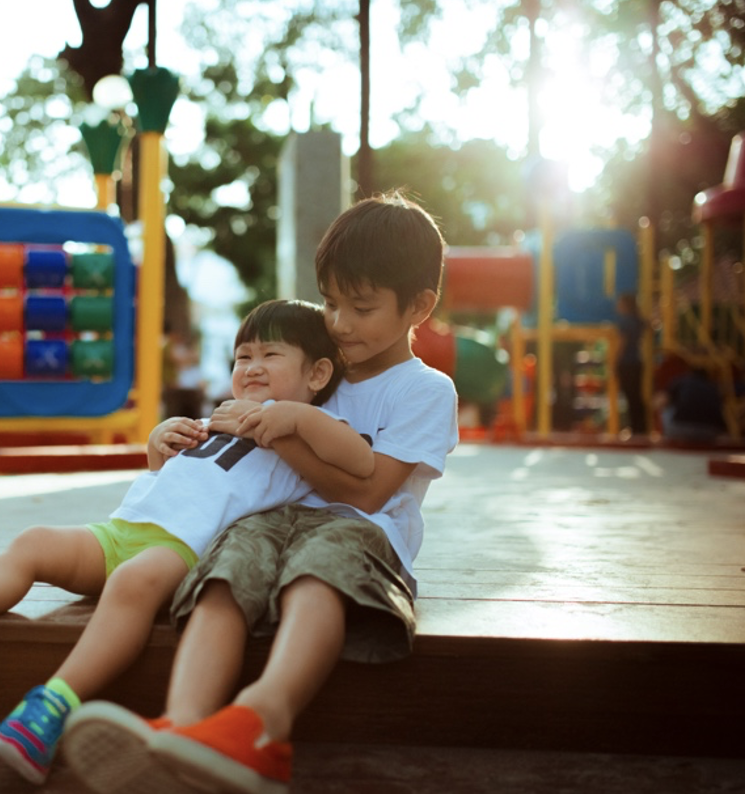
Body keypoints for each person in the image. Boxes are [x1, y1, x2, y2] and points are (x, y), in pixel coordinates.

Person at [0, 299, 374, 786]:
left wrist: (290, 415)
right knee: (36, 541)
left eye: (270, 356)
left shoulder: (307, 432)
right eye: (242, 357)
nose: (251, 367)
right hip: (122, 531)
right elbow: (183, 476)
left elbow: (359, 459)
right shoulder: (222, 417)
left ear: (318, 373)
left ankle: (52, 706)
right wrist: (160, 445)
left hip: (181, 551)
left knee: (133, 583)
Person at [61, 191, 459, 794]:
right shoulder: (317, 365)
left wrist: (285, 427)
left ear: (418, 307)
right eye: (330, 303)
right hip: (271, 517)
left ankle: (261, 725)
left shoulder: (424, 390)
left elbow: (373, 491)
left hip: (361, 532)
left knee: (316, 574)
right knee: (225, 570)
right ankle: (184, 727)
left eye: (362, 307)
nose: (341, 323)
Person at [614, 293, 648, 434]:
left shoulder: (625, 322)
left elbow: (622, 343)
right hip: (637, 361)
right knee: (637, 395)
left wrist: (615, 360)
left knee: (629, 395)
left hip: (627, 363)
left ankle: (636, 428)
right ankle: (641, 427)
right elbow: (651, 326)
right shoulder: (638, 320)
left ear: (625, 305)